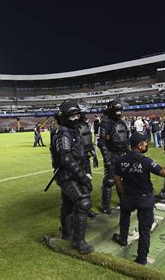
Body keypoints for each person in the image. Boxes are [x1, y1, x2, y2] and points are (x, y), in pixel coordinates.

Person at [112, 132, 165, 265]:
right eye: (145, 143)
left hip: (128, 197)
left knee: (125, 215)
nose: (146, 144)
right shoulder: (146, 161)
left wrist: (122, 195)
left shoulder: (120, 160)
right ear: (140, 146)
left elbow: (117, 179)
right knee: (144, 231)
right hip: (145, 199)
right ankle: (141, 259)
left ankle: (123, 238)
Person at [50, 100, 94, 254]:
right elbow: (66, 159)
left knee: (68, 204)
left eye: (77, 115)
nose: (76, 119)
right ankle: (78, 241)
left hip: (74, 173)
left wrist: (86, 172)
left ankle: (67, 234)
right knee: (83, 202)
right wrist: (83, 177)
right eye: (72, 116)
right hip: (67, 175)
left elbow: (82, 154)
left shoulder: (72, 131)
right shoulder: (63, 133)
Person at [97, 99, 130, 214]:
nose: (119, 112)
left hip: (123, 153)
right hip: (112, 154)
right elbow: (101, 142)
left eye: (120, 110)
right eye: (117, 110)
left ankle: (123, 200)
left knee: (124, 179)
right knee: (109, 181)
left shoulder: (122, 123)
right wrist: (106, 158)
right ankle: (105, 205)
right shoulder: (105, 123)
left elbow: (126, 139)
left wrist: (129, 153)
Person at [77, 111, 99, 218]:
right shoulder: (73, 128)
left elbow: (88, 140)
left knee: (87, 184)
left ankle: (87, 209)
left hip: (86, 158)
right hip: (77, 160)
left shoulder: (85, 126)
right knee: (79, 186)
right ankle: (78, 211)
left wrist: (93, 153)